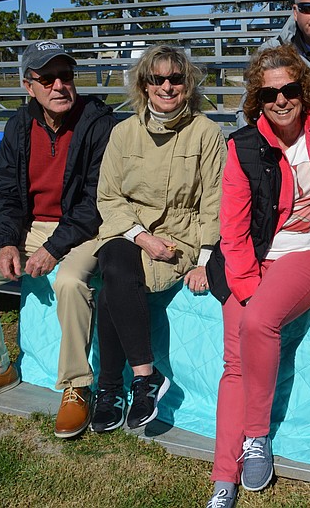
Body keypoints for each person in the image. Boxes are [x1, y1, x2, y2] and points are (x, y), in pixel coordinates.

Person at [0, 40, 116, 438]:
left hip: (84, 230)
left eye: (65, 76)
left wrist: (54, 248)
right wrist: (7, 241)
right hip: (29, 228)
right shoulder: (18, 125)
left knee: (69, 282)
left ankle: (77, 385)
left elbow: (96, 201)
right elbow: (5, 191)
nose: (59, 85)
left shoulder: (99, 123)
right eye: (47, 78)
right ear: (28, 85)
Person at [204, 44, 310, 508]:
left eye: (290, 90)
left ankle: (256, 436)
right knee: (235, 363)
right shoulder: (243, 147)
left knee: (260, 321)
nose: (281, 100)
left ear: (304, 91)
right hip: (254, 256)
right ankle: (223, 478)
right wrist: (246, 287)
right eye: (269, 94)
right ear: (256, 100)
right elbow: (233, 229)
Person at [91, 45, 226, 433]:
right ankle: (144, 376)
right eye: (157, 79)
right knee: (116, 262)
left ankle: (109, 388)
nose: (167, 87)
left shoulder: (206, 132)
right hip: (128, 228)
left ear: (188, 84)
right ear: (144, 85)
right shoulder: (123, 132)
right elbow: (109, 197)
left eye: (176, 79)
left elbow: (214, 200)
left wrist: (205, 260)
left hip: (178, 236)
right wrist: (141, 236)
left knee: (112, 287)